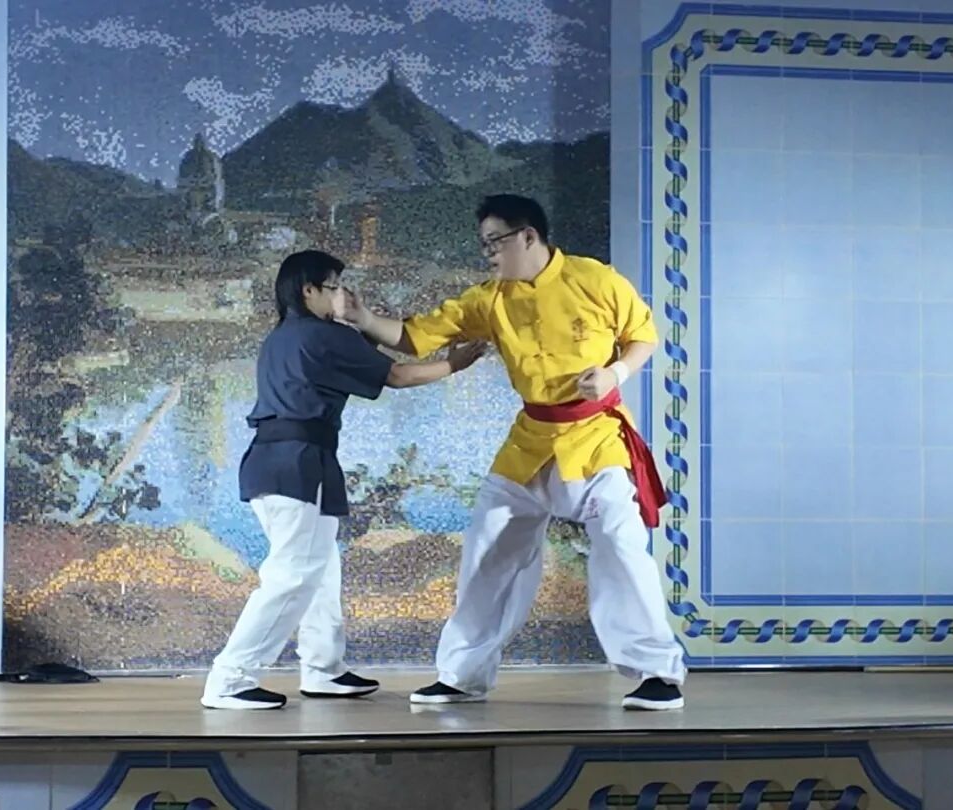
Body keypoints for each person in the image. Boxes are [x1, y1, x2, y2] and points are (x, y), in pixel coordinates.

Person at [337, 195, 686, 710]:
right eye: (483, 244)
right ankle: (462, 675)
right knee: (488, 550)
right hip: (529, 443)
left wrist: (615, 373)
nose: (488, 253)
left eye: (494, 241)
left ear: (528, 236)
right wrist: (362, 316)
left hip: (596, 440)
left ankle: (657, 673)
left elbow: (643, 336)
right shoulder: (488, 300)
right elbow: (415, 337)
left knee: (621, 543)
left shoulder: (595, 279)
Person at [201, 250, 485, 710]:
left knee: (319, 567)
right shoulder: (322, 334)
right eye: (333, 286)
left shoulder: (282, 337)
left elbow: (368, 359)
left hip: (275, 461)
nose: (341, 294)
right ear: (308, 290)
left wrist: (359, 322)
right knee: (292, 575)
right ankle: (229, 679)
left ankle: (323, 669)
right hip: (298, 461)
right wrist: (454, 364)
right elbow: (396, 374)